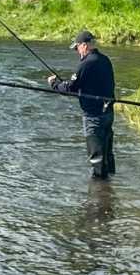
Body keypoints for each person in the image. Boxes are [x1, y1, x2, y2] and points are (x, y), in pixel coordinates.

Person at [48, 31, 116, 180]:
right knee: (107, 154)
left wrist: (54, 84)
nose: (76, 51)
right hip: (108, 113)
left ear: (84, 46)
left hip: (93, 116)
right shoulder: (105, 60)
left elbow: (71, 88)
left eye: (77, 48)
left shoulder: (86, 63)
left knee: (96, 157)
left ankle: (99, 193)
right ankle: (111, 186)